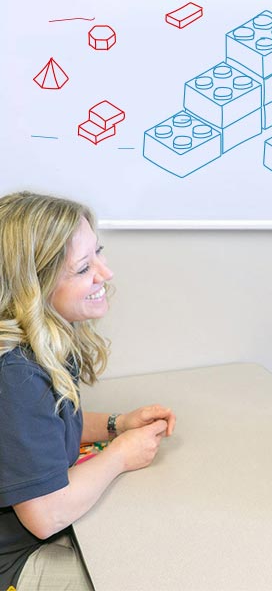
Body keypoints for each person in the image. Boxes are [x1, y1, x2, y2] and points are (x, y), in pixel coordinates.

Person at [0, 192, 176, 591]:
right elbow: (45, 514)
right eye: (83, 268)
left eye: (98, 253)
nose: (105, 273)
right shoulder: (15, 375)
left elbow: (44, 432)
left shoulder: (46, 340)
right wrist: (119, 456)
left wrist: (117, 424)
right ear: (34, 287)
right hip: (16, 561)